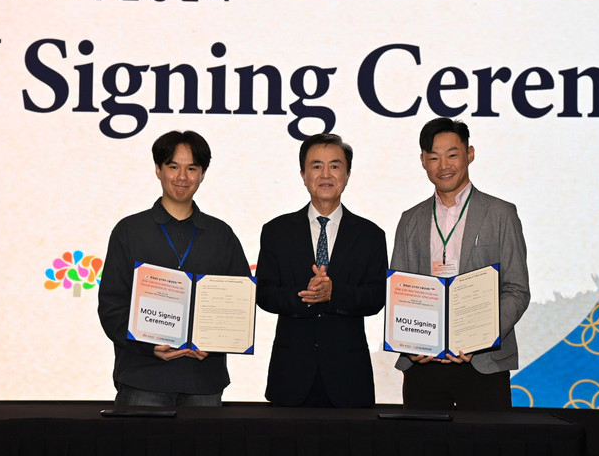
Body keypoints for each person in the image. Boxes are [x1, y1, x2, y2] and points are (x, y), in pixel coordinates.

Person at [98, 130, 250, 407]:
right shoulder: (129, 231)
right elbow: (111, 305)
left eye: (191, 168)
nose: (182, 177)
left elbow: (240, 306)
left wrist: (215, 343)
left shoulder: (221, 235)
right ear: (158, 169)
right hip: (143, 378)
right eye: (173, 167)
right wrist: (148, 346)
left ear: (202, 174)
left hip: (203, 381)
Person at [392, 117, 530, 410]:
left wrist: (481, 338)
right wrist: (409, 343)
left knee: (485, 437)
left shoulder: (501, 213)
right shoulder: (410, 219)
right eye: (434, 157)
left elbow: (517, 289)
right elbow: (400, 292)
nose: (444, 165)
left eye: (452, 154)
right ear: (423, 161)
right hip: (424, 365)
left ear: (470, 154)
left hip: (482, 363)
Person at [256, 133, 387, 408]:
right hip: (290, 374)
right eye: (316, 166)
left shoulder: (370, 235)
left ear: (348, 174)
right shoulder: (276, 231)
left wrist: (333, 293)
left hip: (349, 377)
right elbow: (264, 294)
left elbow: (376, 297)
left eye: (335, 166)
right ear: (303, 175)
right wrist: (305, 295)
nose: (326, 174)